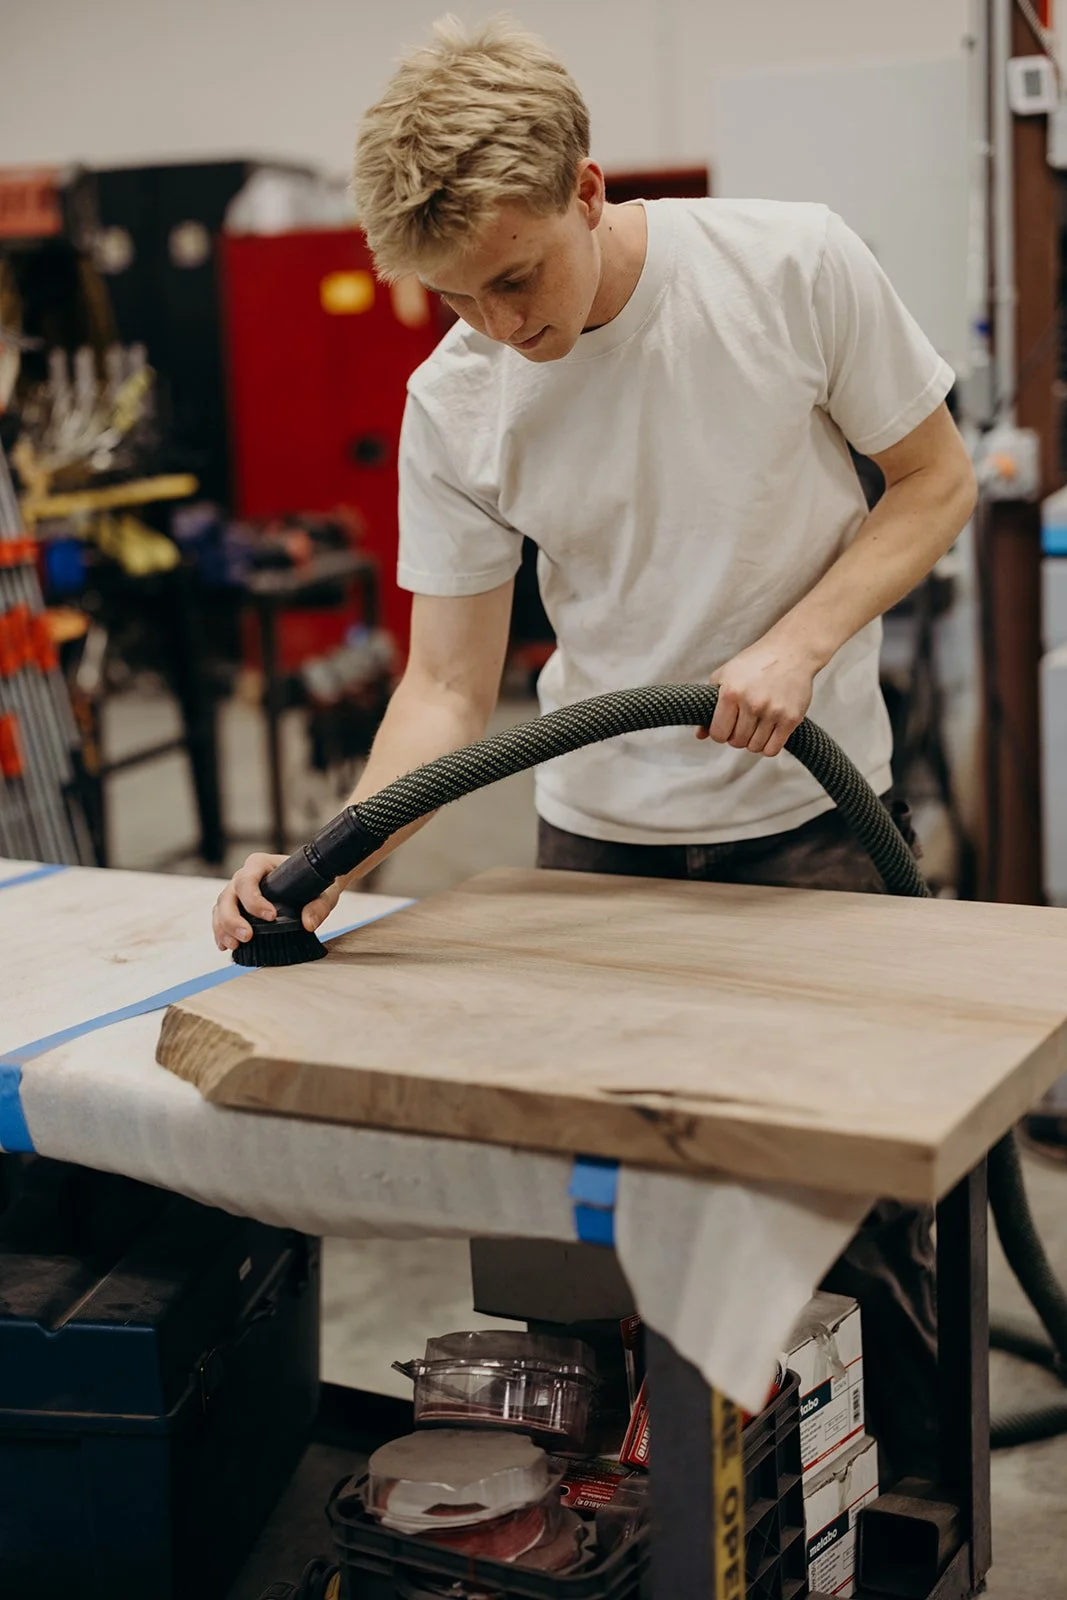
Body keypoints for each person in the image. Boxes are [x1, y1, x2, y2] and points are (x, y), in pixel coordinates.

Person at [213, 17, 977, 1481]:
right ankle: (648, 1518)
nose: (498, 324)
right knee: (604, 1225)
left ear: (587, 186)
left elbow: (931, 482)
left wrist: (793, 643)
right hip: (594, 842)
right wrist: (318, 865)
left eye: (515, 277)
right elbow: (443, 691)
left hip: (810, 828)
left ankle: (910, 1515)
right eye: (455, 296)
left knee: (850, 1212)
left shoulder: (788, 264)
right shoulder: (457, 396)